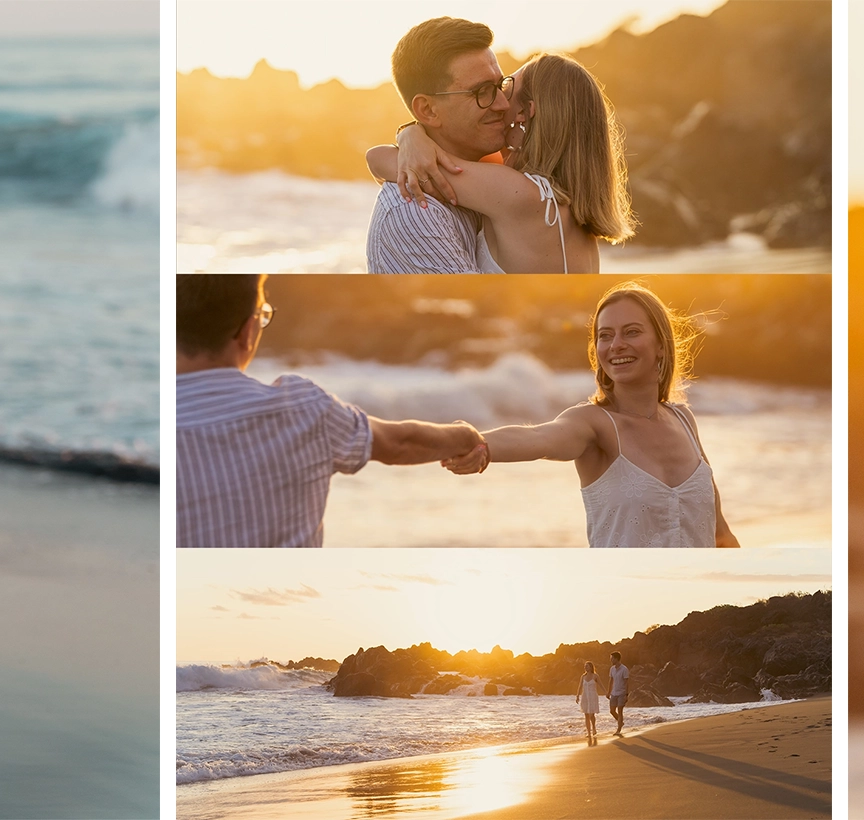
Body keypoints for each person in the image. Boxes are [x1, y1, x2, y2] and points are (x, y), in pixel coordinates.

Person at [176, 274, 488, 546]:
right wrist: (465, 436)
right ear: (246, 332)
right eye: (262, 315)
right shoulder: (303, 409)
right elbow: (400, 443)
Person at [444, 282, 738, 547]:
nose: (615, 345)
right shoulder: (592, 423)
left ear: (661, 345)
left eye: (631, 332)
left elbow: (720, 535)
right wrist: (480, 444)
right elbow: (539, 437)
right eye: (605, 336)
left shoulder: (684, 420)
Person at [370, 52, 634, 274]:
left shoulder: (517, 194)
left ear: (524, 111)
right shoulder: (573, 216)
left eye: (505, 88)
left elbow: (379, 160)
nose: (497, 101)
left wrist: (411, 135)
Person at [364, 17, 509, 273]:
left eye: (501, 85)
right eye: (482, 91)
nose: (503, 104)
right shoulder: (415, 212)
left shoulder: (513, 161)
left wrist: (408, 133)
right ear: (428, 110)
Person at [576, 661, 601, 746]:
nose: (585, 668)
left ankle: (594, 728)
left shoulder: (595, 676)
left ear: (591, 667)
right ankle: (588, 732)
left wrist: (607, 693)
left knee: (591, 715)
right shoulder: (583, 676)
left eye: (587, 666)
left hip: (593, 696)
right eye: (585, 666)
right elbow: (580, 686)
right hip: (585, 697)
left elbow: (600, 685)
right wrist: (577, 696)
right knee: (586, 715)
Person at [607, 651, 630, 736]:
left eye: (612, 658)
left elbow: (627, 682)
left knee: (620, 711)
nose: (611, 660)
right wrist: (608, 692)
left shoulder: (624, 669)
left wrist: (626, 695)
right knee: (612, 711)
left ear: (617, 659)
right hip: (614, 693)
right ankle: (621, 723)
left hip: (622, 693)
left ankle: (618, 729)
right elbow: (611, 681)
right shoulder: (612, 669)